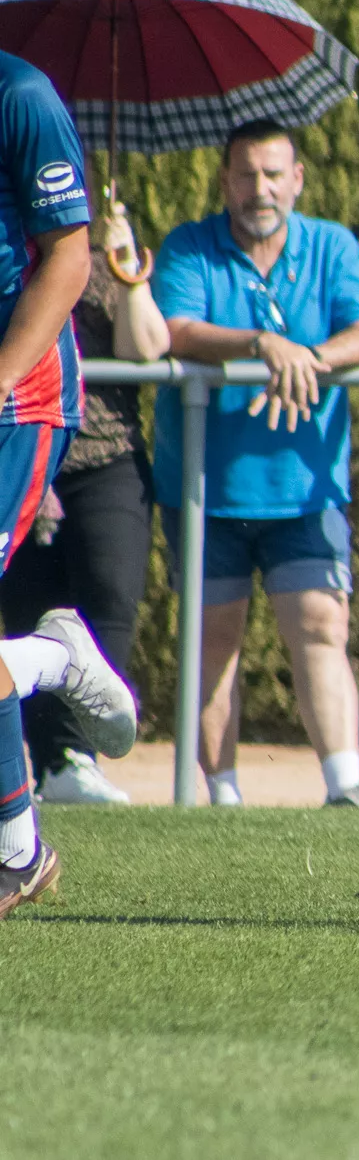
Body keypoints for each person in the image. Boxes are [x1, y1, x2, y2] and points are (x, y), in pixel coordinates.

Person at [153, 119, 359, 809]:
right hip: (204, 487)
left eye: (273, 173)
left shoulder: (331, 244)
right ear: (225, 180)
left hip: (306, 488)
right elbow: (176, 328)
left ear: (298, 178)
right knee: (213, 639)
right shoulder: (190, 247)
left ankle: (346, 786)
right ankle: (221, 794)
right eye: (247, 174)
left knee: (321, 624)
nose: (261, 188)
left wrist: (307, 357)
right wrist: (262, 342)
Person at [0, 48, 142, 918]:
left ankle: (55, 657)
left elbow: (68, 261)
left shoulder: (21, 95)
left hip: (22, 399)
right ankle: (18, 852)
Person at [0, 195, 167, 805]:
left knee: (109, 590)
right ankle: (47, 765)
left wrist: (127, 272)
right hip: (27, 446)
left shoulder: (88, 259)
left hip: (91, 450)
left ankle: (74, 755)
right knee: (24, 602)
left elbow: (147, 346)